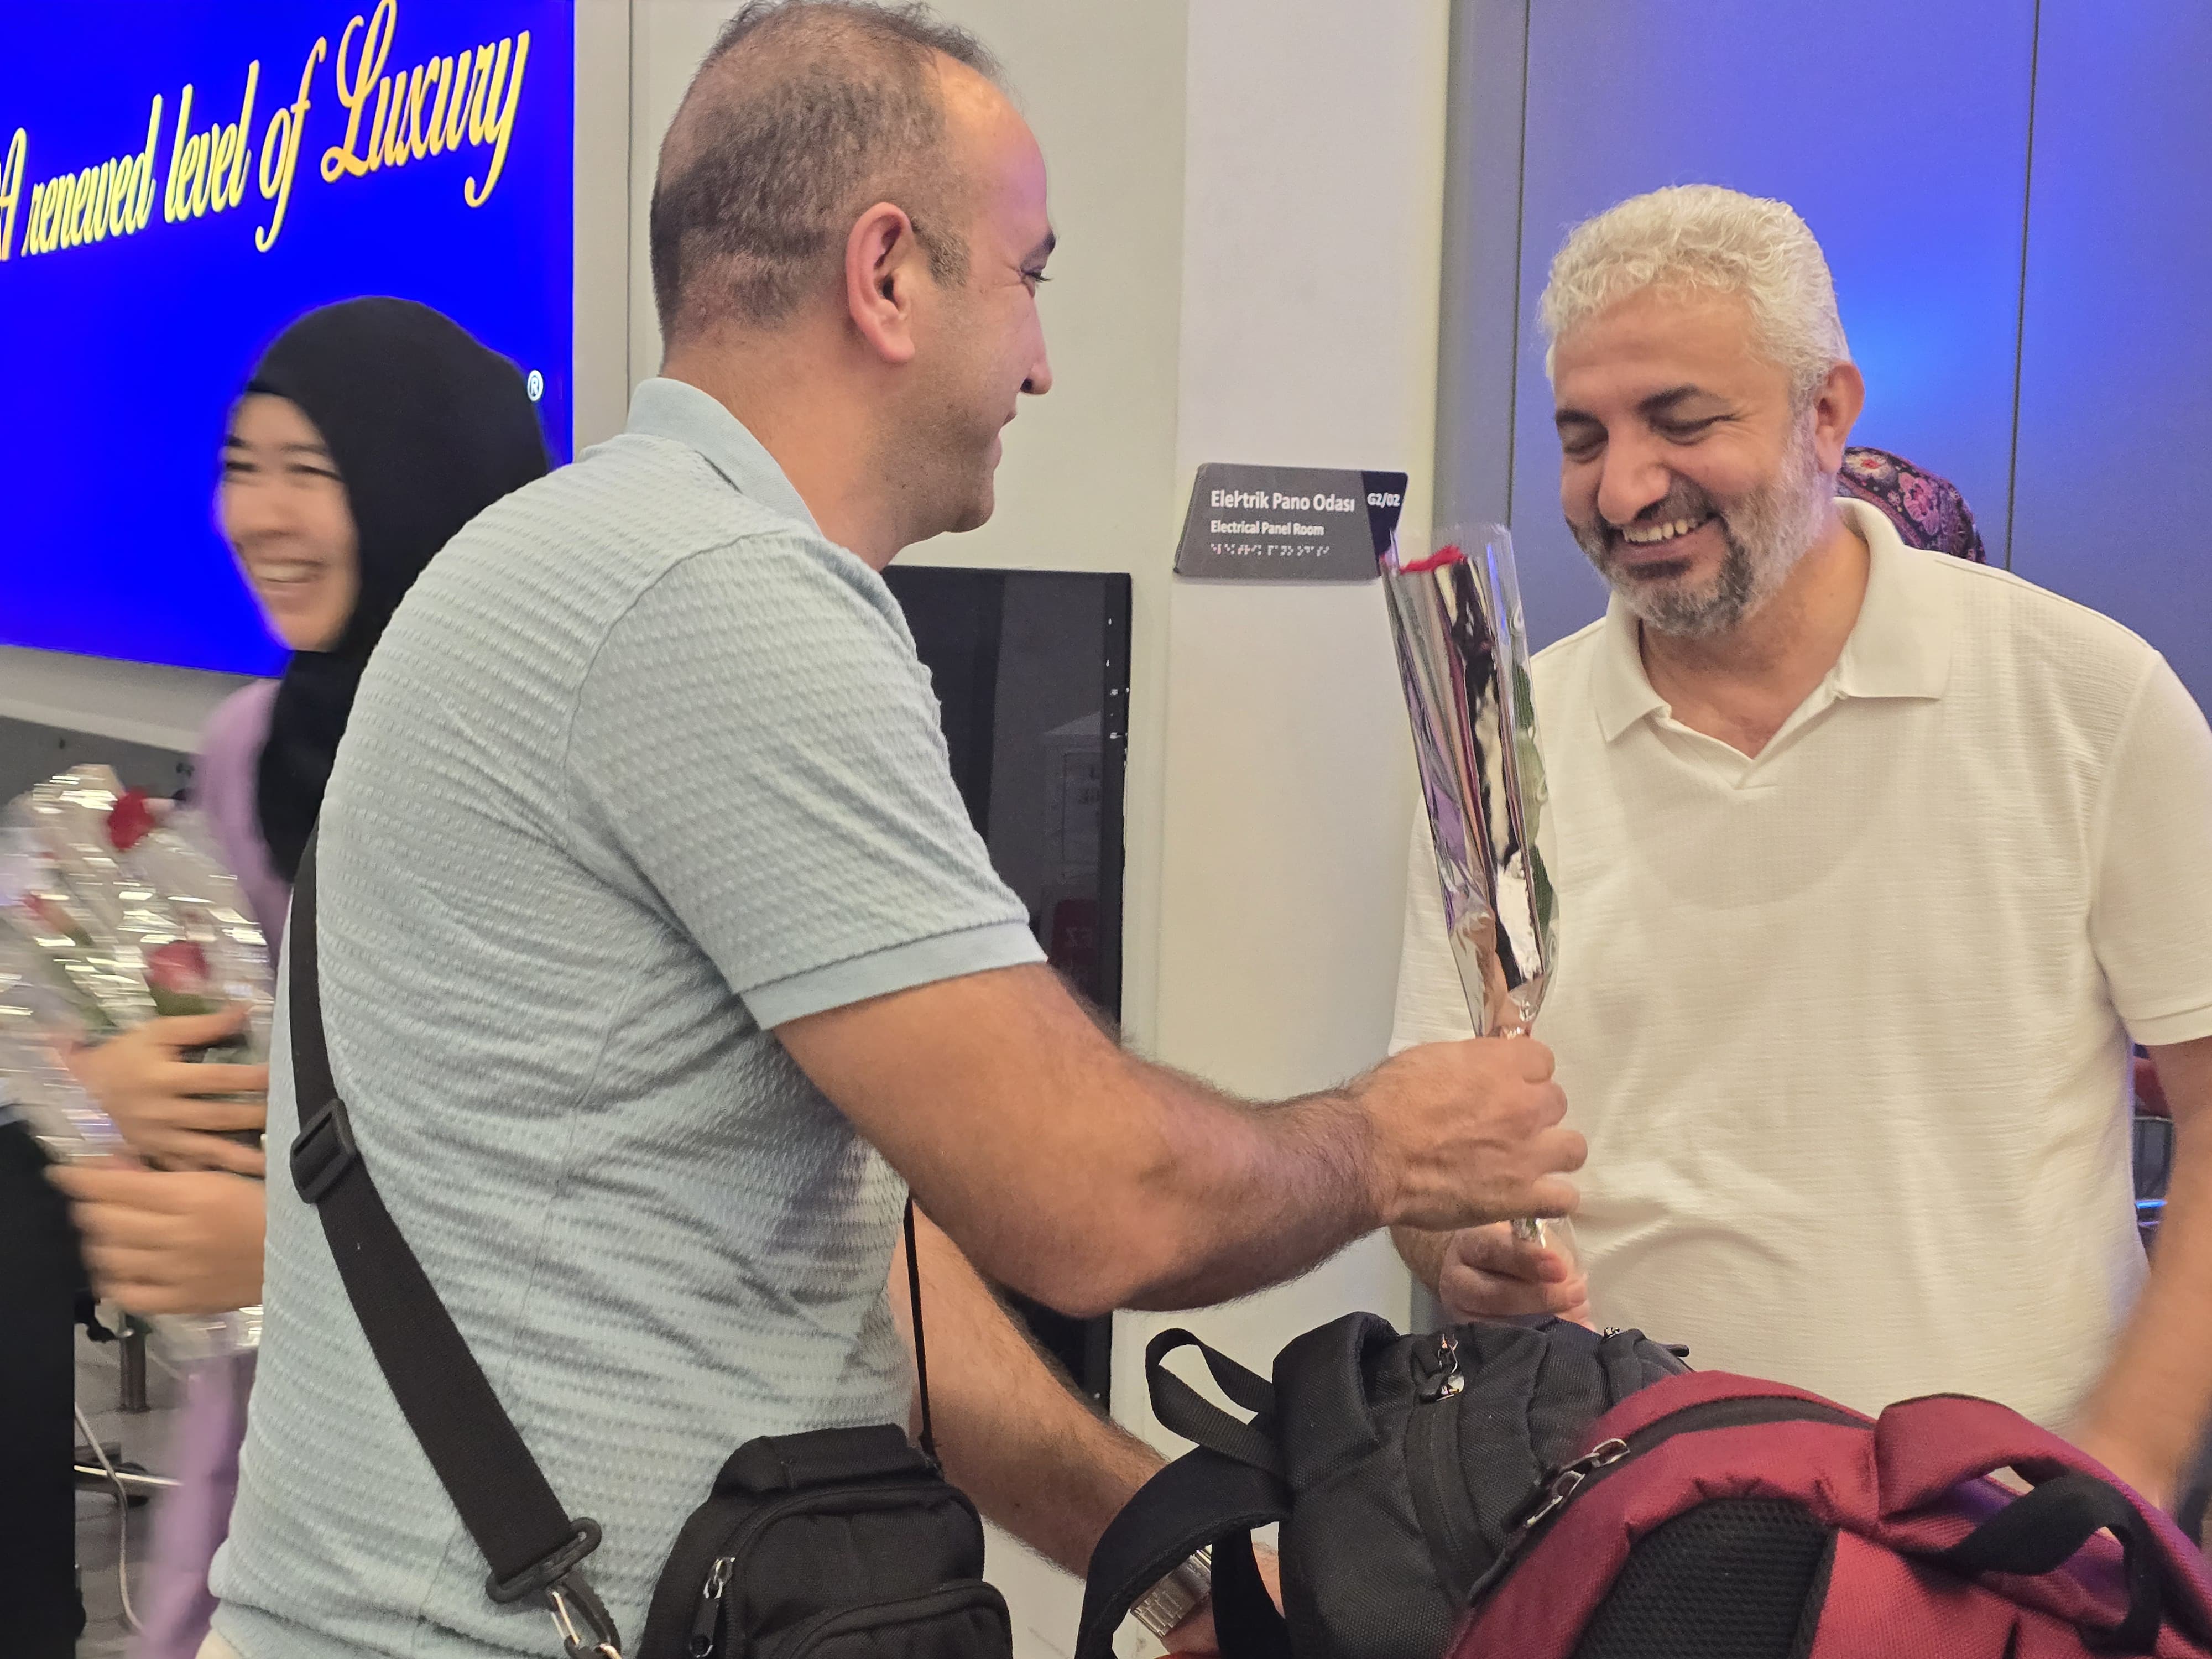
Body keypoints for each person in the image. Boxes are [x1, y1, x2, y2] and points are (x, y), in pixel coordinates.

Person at [204, 6, 1583, 1658]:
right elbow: (1086, 1197)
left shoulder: (599, 552)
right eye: (1029, 277)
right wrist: (1388, 1141)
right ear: (884, 274)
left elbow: (860, 1270)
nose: (1043, 361)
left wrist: (1180, 1568)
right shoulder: (719, 596)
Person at [1392, 183, 2212, 1511]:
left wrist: (2119, 1480)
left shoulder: (2083, 700)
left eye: (1681, 422)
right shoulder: (1508, 745)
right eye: (1582, 437)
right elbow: (1424, 1150)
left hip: (1993, 1534)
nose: (1622, 488)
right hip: (1624, 1525)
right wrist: (1459, 1246)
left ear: (1825, 412)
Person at [49, 296, 552, 1659]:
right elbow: (241, 1067)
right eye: (240, 465)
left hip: (504, 1501)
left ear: (421, 478)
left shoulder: (540, 768)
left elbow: (569, 1170)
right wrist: (113, 1089)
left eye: (310, 470)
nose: (255, 516)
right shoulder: (249, 750)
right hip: (275, 1483)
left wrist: (286, 1251)